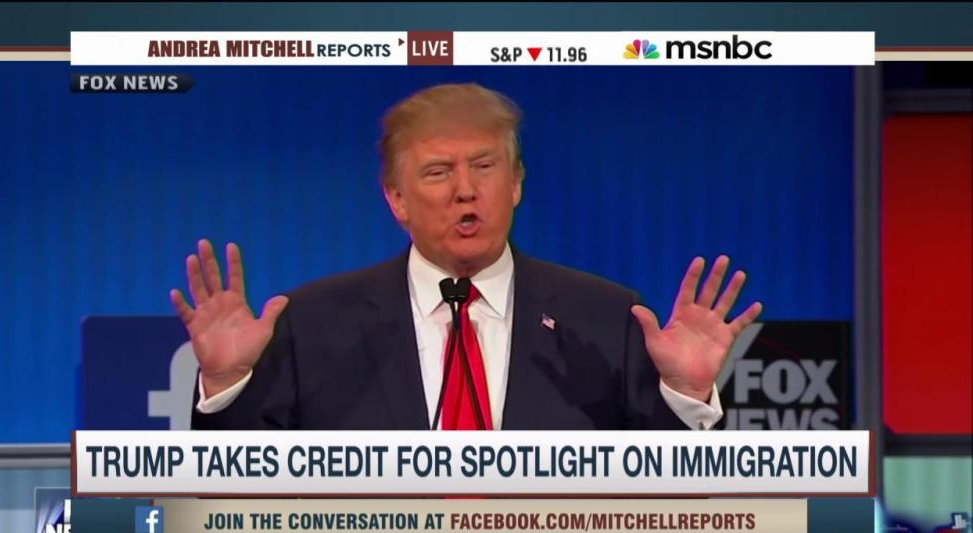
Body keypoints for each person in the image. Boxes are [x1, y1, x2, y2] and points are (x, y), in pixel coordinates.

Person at [171, 83, 762, 431]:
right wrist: (226, 384)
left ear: (517, 183)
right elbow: (235, 500)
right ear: (396, 198)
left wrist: (685, 397)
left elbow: (671, 505)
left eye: (484, 166)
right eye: (437, 173)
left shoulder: (606, 319)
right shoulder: (313, 323)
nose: (465, 190)